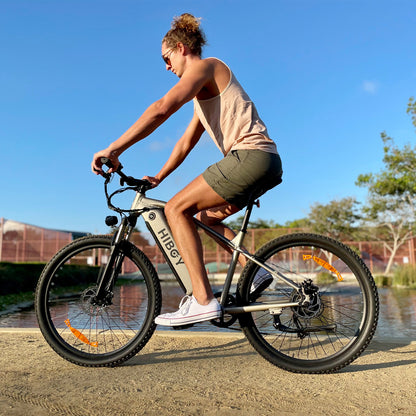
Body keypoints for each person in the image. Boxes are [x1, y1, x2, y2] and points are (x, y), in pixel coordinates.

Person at [91, 13, 283, 327]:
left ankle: (203, 300)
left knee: (176, 209)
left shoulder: (206, 67)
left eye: (166, 58)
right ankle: (257, 269)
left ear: (181, 48)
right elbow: (184, 143)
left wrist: (114, 148)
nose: (167, 67)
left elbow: (161, 108)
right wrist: (159, 176)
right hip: (262, 161)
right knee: (203, 219)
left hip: (249, 156)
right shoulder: (203, 94)